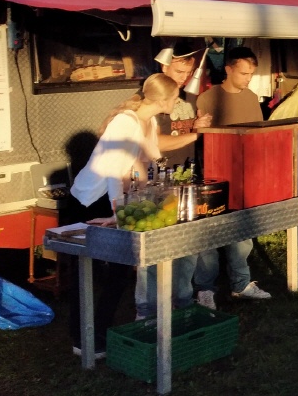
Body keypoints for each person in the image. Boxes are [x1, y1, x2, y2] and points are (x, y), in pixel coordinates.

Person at [65, 73, 179, 357]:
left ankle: (100, 330)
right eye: (176, 96)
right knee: (88, 272)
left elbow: (150, 155)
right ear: (163, 99)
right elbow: (115, 171)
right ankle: (83, 340)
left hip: (113, 199)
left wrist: (161, 186)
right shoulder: (124, 123)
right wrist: (120, 213)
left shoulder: (148, 120)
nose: (178, 101)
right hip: (90, 201)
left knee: (118, 271)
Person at [135, 42, 213, 321]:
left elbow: (187, 126)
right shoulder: (153, 97)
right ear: (164, 66)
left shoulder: (187, 97)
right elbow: (154, 142)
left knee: (187, 245)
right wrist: (194, 134)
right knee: (155, 248)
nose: (183, 77)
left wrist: (198, 124)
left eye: (187, 72)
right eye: (179, 71)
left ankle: (182, 301)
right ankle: (147, 311)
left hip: (187, 177)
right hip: (158, 181)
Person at [194, 47, 272, 307]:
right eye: (243, 73)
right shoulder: (207, 98)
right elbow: (204, 138)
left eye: (251, 73)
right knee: (209, 234)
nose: (248, 78)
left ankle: (241, 283)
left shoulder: (251, 97)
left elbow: (257, 134)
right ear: (228, 69)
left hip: (244, 173)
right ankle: (205, 289)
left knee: (243, 232)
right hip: (214, 175)